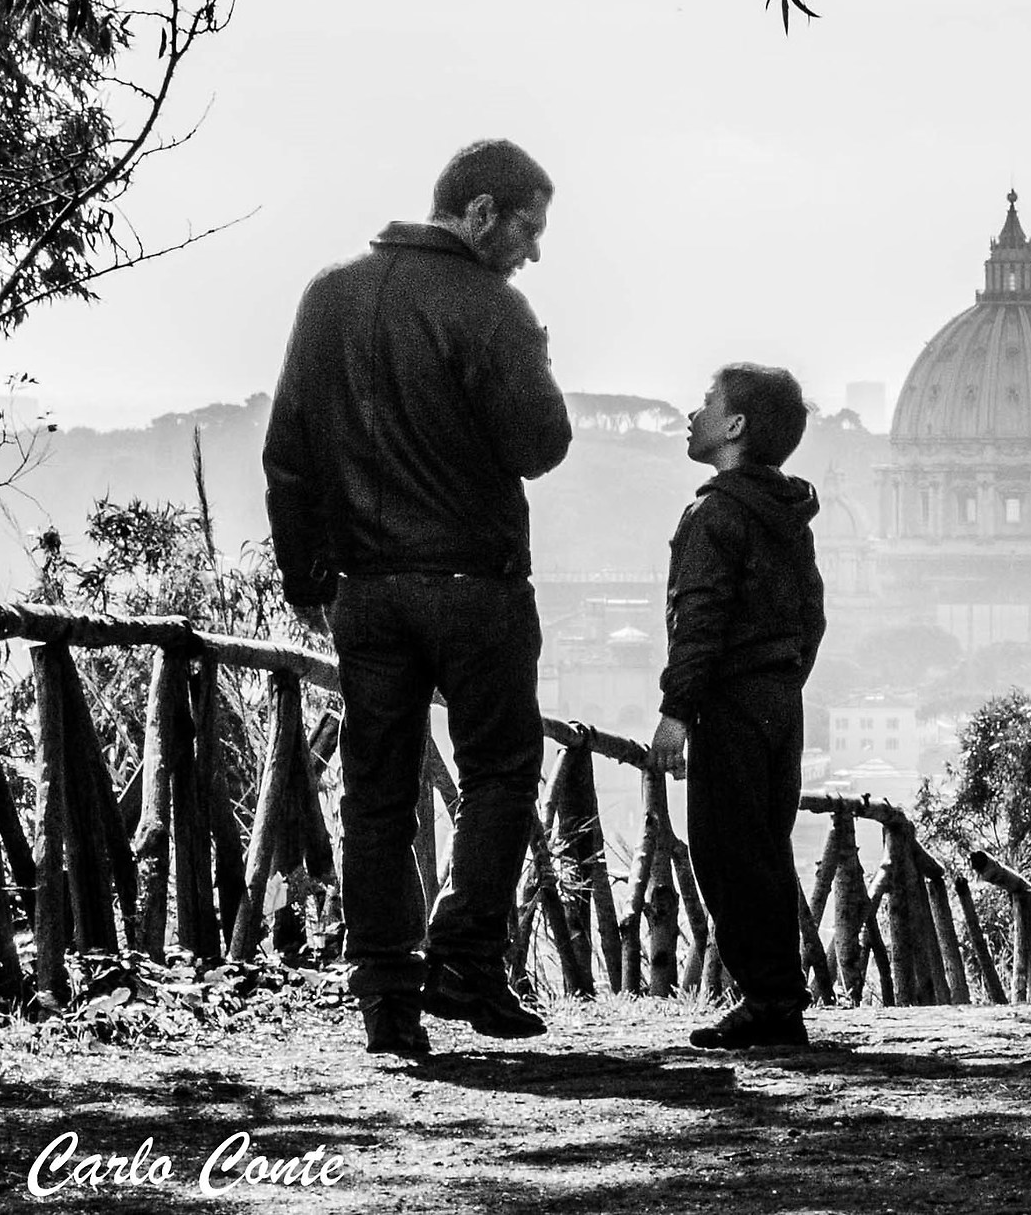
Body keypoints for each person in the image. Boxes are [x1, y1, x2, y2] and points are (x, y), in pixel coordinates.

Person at [263, 139, 572, 1059]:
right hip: (476, 588)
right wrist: (538, 360)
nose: (533, 251)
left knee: (378, 793)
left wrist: (307, 578)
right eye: (528, 227)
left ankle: (387, 1001)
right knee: (503, 770)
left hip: (366, 589)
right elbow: (539, 444)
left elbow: (289, 449)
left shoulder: (328, 294)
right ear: (480, 212)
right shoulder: (493, 307)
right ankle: (464, 958)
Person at [649, 363, 826, 1049]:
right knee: (764, 847)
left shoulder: (714, 514)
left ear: (735, 426)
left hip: (731, 702)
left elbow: (699, 618)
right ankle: (775, 995)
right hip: (780, 700)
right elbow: (811, 618)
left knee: (728, 853)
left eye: (705, 403)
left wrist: (677, 709)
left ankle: (771, 1001)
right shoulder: (789, 518)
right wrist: (781, 680)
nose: (692, 414)